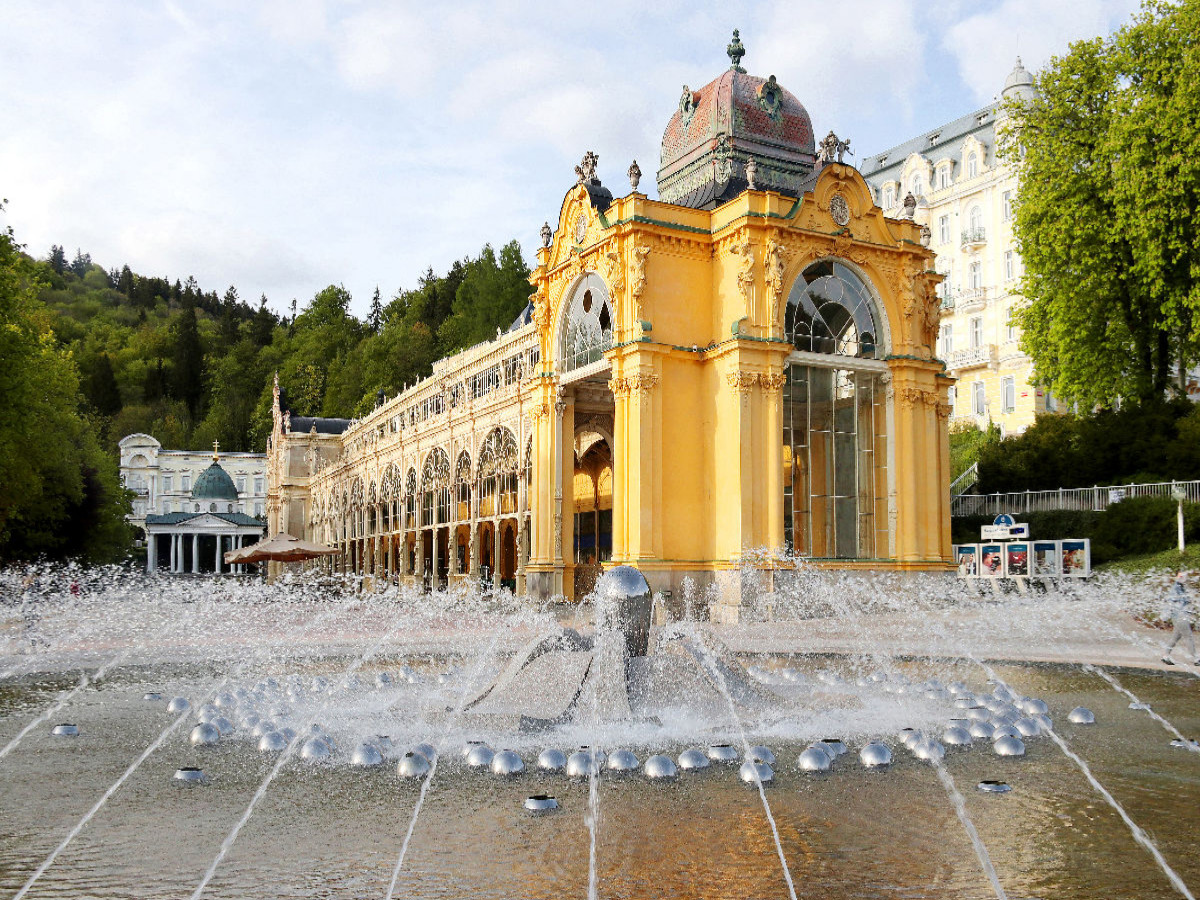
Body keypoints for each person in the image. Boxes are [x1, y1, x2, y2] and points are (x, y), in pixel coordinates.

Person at [1161, 570, 1198, 666]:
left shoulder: (1181, 587)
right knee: (1188, 636)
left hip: (1180, 615)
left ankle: (1165, 655)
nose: (1185, 578)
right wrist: (1165, 616)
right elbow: (1170, 602)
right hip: (1179, 616)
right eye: (1182, 577)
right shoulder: (1176, 587)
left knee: (1175, 637)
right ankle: (1196, 658)